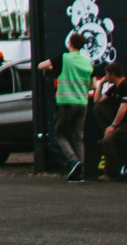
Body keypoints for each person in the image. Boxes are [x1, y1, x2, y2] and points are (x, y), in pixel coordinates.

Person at [38, 31, 93, 179]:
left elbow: (41, 66)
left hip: (66, 101)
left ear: (70, 43)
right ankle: (80, 172)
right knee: (78, 137)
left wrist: (53, 69)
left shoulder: (64, 58)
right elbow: (92, 85)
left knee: (59, 133)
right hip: (82, 102)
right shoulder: (87, 61)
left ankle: (73, 160)